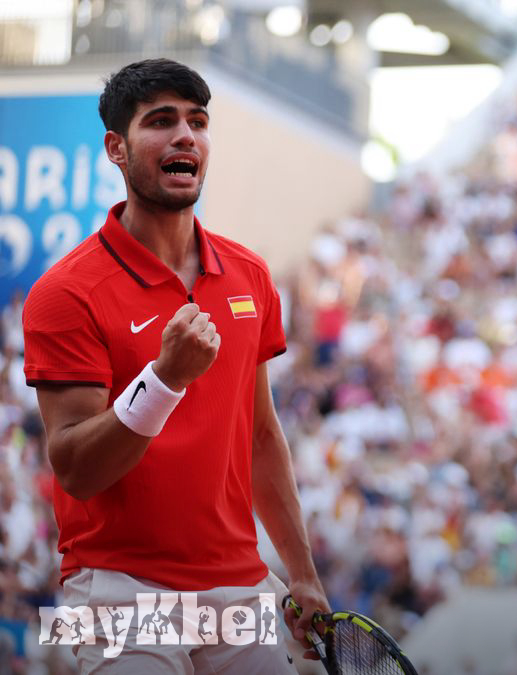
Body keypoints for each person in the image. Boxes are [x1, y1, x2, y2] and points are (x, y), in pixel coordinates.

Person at [22, 58, 329, 673]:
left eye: (197, 121)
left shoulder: (250, 275)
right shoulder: (65, 292)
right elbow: (77, 467)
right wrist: (165, 380)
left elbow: (262, 437)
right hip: (118, 590)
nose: (185, 136)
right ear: (116, 148)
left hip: (241, 584)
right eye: (161, 122)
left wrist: (302, 573)